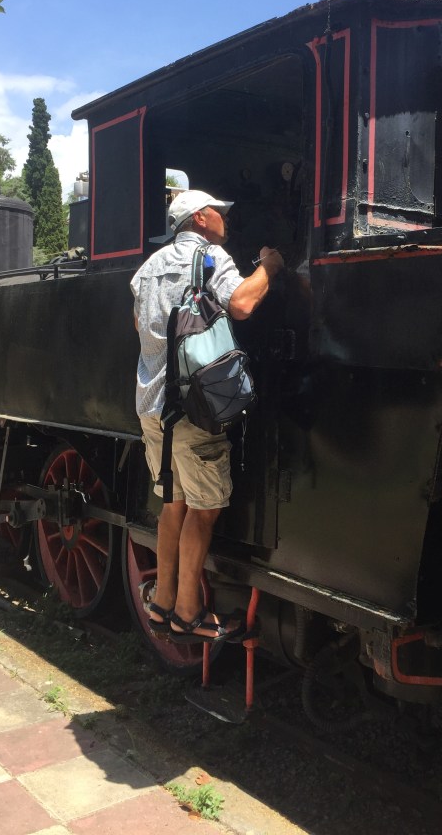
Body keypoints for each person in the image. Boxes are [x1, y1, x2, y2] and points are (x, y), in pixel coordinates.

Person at [131, 189, 284, 643]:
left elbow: (139, 325)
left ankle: (161, 605)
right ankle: (187, 614)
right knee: (204, 509)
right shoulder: (210, 257)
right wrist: (269, 267)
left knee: (172, 505)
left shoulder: (147, 268)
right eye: (220, 211)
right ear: (199, 218)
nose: (225, 218)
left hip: (151, 405)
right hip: (193, 408)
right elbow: (242, 304)